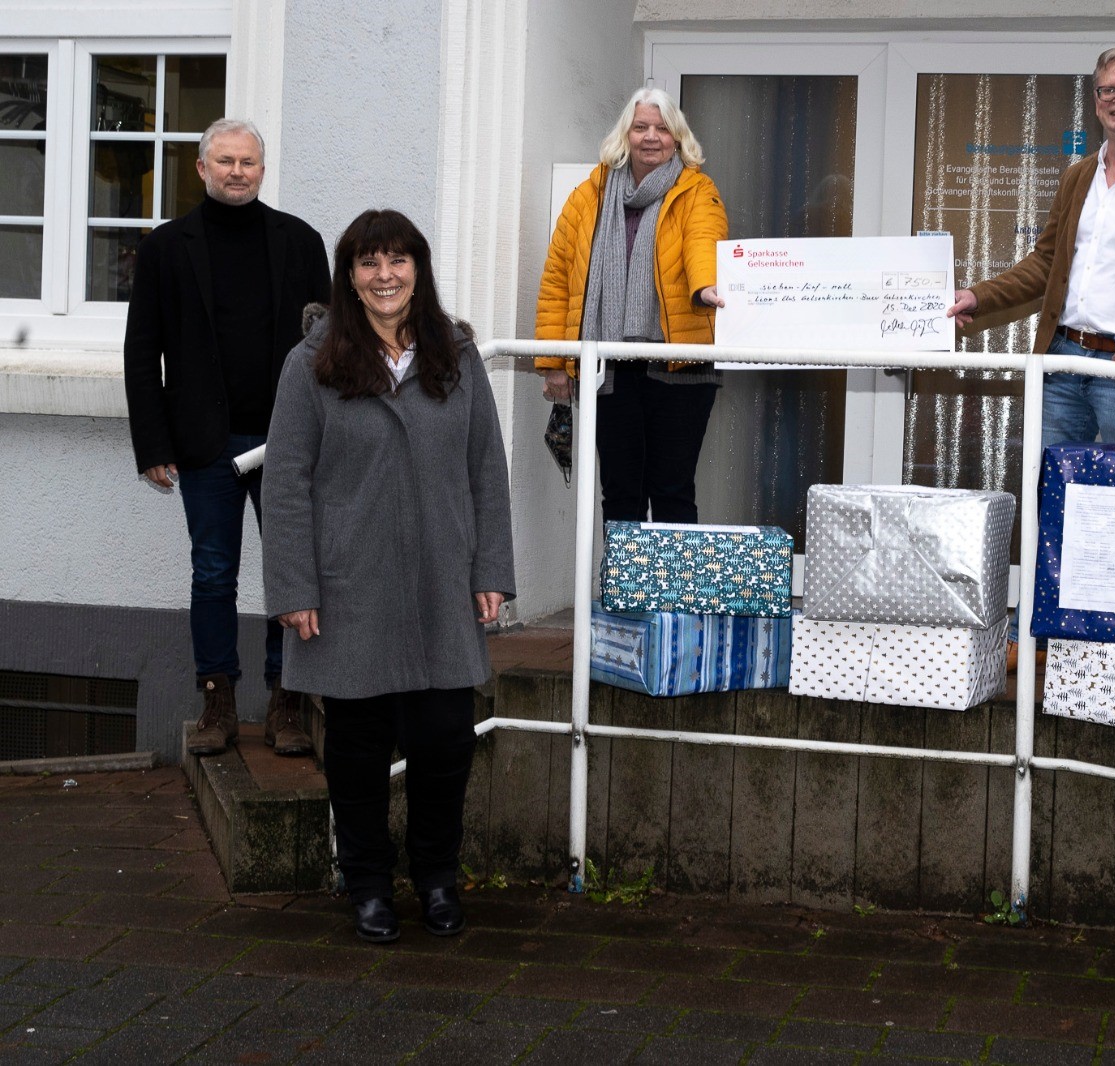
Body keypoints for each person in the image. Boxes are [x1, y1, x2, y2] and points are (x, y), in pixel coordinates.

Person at [261, 209, 515, 944]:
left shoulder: (456, 357)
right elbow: (285, 484)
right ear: (349, 275)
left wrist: (491, 567)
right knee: (358, 749)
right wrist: (294, 588)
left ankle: (436, 875)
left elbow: (486, 472)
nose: (384, 277)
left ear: (418, 269)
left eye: (397, 261)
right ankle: (368, 884)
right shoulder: (310, 364)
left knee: (445, 741)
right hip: (349, 586)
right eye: (369, 262)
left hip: (442, 578)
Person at [123, 117, 330, 759]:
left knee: (291, 570)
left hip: (287, 441)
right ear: (202, 169)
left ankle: (286, 700)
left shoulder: (301, 242)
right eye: (225, 161)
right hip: (204, 444)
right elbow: (142, 351)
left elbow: (327, 347)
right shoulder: (165, 248)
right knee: (212, 572)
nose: (237, 171)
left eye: (248, 162)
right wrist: (153, 445)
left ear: (263, 170)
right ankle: (217, 701)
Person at [947, 44, 1115, 448]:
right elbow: (1045, 264)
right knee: (1051, 496)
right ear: (1096, 101)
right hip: (1061, 361)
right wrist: (977, 296)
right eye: (1108, 91)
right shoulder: (1077, 177)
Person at [535, 86, 729, 523]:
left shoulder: (697, 191)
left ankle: (670, 593)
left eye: (662, 128)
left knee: (672, 491)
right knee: (620, 492)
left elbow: (703, 241)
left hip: (680, 364)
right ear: (625, 135)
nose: (650, 137)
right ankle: (626, 592)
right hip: (611, 368)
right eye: (640, 127)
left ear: (678, 138)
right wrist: (553, 361)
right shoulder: (589, 196)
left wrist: (705, 287)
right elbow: (558, 280)